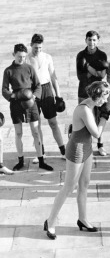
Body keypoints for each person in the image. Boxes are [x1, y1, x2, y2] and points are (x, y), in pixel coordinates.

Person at [44, 81, 110, 240]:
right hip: (77, 150)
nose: (106, 100)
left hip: (86, 148)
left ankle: (82, 219)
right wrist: (104, 117)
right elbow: (96, 133)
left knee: (84, 184)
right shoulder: (84, 110)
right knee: (69, 186)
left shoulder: (91, 105)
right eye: (104, 97)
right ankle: (50, 221)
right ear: (96, 96)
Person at [2, 43, 53, 172]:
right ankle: (20, 161)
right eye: (19, 56)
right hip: (16, 104)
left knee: (35, 132)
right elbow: (4, 89)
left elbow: (38, 85)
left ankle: (41, 160)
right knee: (18, 133)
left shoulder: (30, 68)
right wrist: (13, 96)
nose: (22, 59)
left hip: (31, 103)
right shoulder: (8, 70)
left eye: (24, 56)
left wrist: (33, 97)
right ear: (14, 55)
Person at [26, 33, 66, 163]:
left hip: (47, 90)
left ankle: (63, 151)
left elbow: (53, 77)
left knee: (53, 123)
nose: (38, 50)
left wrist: (58, 96)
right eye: (36, 47)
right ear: (31, 45)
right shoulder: (26, 59)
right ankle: (40, 153)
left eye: (40, 48)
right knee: (36, 125)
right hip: (33, 91)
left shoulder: (48, 57)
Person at [76, 30, 108, 156]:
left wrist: (88, 67)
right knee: (84, 119)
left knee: (98, 117)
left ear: (98, 41)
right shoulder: (80, 55)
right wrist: (94, 71)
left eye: (94, 40)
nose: (92, 42)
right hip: (83, 90)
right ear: (86, 40)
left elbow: (102, 75)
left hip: (98, 92)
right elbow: (80, 77)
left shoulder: (102, 55)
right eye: (89, 40)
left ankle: (100, 145)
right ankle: (86, 145)